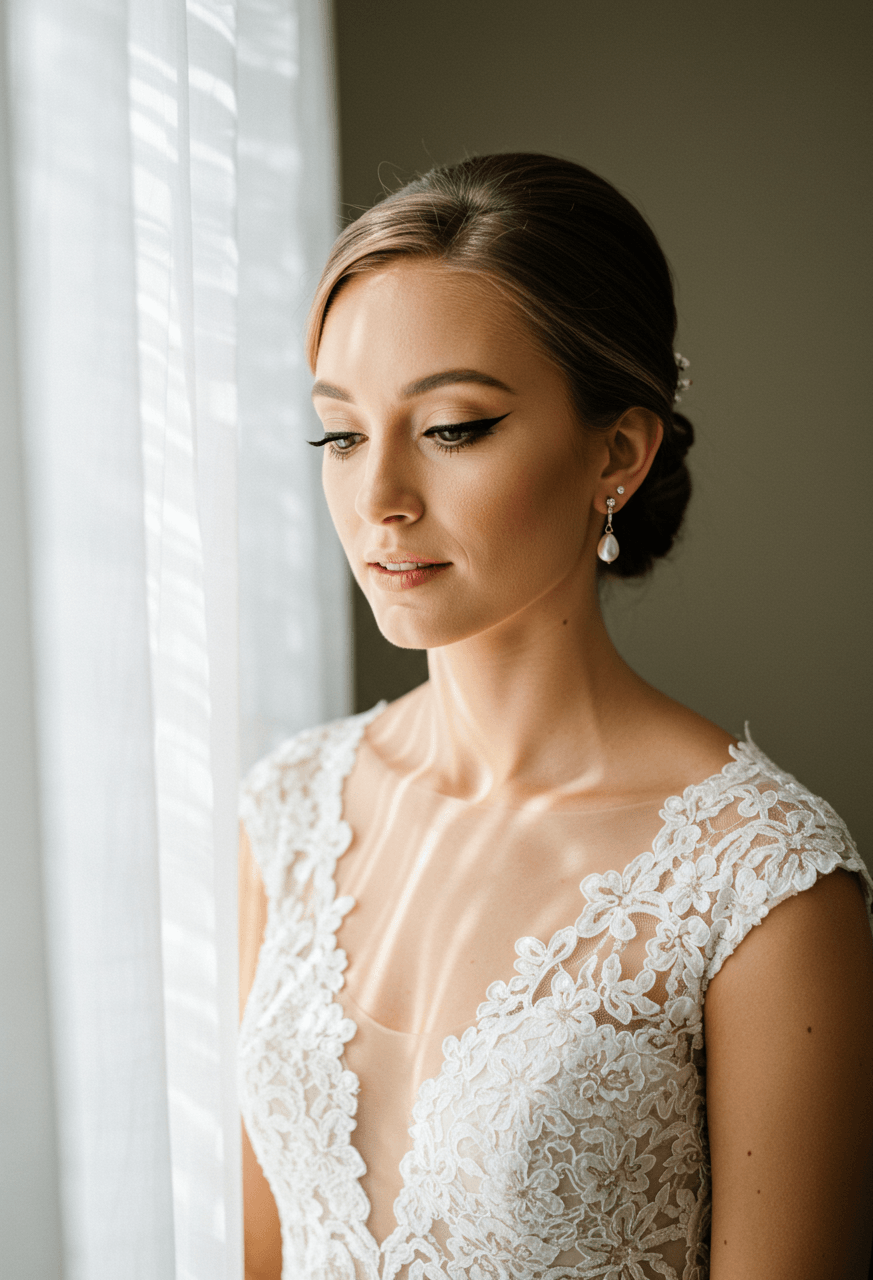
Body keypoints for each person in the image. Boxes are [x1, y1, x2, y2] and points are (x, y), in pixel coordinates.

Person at [237, 153, 873, 1280]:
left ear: (616, 454)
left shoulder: (759, 882)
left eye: (451, 428)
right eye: (338, 433)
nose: (377, 494)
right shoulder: (290, 807)